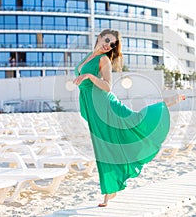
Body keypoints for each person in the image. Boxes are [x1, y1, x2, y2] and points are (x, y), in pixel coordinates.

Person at [73, 29, 185, 207]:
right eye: (107, 40)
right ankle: (110, 191)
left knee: (135, 121)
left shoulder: (104, 60)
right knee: (103, 148)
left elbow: (108, 86)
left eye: (112, 44)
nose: (108, 45)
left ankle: (168, 102)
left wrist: (89, 76)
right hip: (93, 107)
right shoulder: (89, 55)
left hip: (106, 105)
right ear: (100, 36)